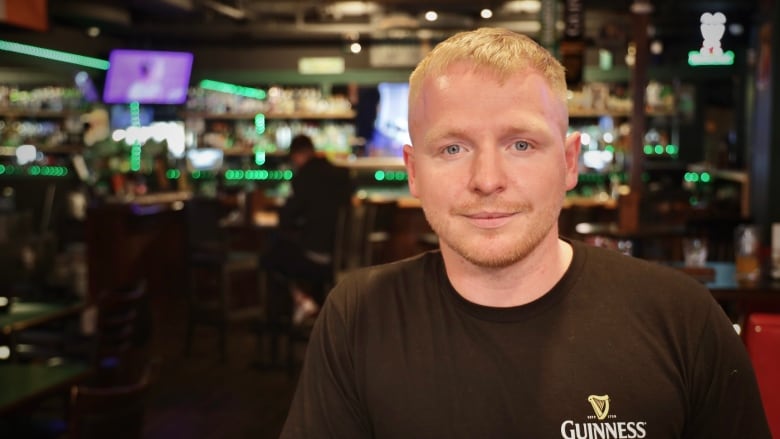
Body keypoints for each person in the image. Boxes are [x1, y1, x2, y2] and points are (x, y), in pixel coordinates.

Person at [279, 28, 771, 438]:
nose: (487, 179)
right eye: (452, 149)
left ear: (569, 160)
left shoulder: (682, 318)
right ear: (413, 171)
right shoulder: (357, 317)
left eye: (520, 143)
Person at [262, 134, 353, 325]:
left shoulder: (304, 176)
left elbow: (286, 218)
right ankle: (317, 307)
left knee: (270, 254)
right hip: (344, 257)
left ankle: (297, 305)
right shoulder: (342, 175)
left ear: (297, 156)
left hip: (317, 257)